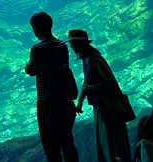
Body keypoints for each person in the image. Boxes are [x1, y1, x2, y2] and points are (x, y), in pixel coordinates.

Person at [68, 29, 132, 162]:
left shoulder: (96, 59)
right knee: (104, 143)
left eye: (73, 43)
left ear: (81, 43)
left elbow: (112, 84)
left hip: (109, 108)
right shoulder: (85, 58)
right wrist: (80, 100)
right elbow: (87, 81)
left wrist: (94, 88)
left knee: (112, 143)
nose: (71, 47)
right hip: (100, 107)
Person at [25, 12, 79, 162]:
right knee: (67, 141)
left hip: (47, 103)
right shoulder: (62, 46)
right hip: (65, 101)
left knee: (51, 147)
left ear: (36, 28)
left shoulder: (37, 48)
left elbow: (31, 70)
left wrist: (27, 67)